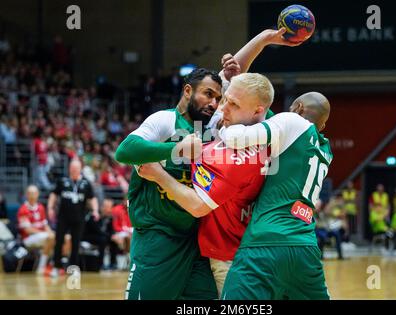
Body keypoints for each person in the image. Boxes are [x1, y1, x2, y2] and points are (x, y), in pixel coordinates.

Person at [114, 27, 296, 300]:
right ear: (187, 91)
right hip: (159, 236)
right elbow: (125, 151)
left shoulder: (212, 124)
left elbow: (236, 84)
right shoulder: (164, 120)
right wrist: (174, 149)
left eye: (218, 99)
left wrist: (265, 40)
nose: (214, 103)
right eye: (207, 95)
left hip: (197, 239)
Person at [137, 72, 273, 296]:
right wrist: (263, 41)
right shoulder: (264, 132)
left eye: (232, 103)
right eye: (224, 99)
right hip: (249, 248)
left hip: (230, 255)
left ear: (257, 111)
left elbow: (198, 206)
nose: (222, 108)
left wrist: (158, 174)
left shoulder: (237, 157)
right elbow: (246, 93)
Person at [214, 90, 332, 300]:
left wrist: (222, 126)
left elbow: (236, 138)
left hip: (266, 242)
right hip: (305, 247)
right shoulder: (324, 149)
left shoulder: (292, 121)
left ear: (299, 109)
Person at [47, 159, 99, 277]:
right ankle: (56, 266)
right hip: (63, 217)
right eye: (72, 168)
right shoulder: (62, 180)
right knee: (59, 241)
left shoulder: (86, 183)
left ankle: (73, 268)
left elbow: (92, 198)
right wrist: (50, 208)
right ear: (69, 168)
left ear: (80, 169)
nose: (74, 170)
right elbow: (54, 194)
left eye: (76, 168)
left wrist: (95, 210)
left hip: (79, 218)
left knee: (76, 243)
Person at [17, 185, 55, 274]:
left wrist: (50, 232)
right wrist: (47, 234)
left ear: (37, 194)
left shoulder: (41, 207)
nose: (32, 195)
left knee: (62, 238)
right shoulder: (23, 209)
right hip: (28, 239)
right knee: (50, 238)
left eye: (34, 193)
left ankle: (54, 265)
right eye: (30, 193)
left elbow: (45, 225)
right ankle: (41, 268)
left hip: (42, 236)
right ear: (26, 195)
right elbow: (28, 230)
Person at [82, 198, 116, 270]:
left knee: (113, 241)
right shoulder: (95, 215)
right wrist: (110, 236)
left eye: (111, 207)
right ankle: (100, 263)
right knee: (103, 240)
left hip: (102, 236)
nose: (110, 210)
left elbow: (111, 230)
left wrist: (113, 236)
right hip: (89, 236)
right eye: (108, 207)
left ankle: (113, 263)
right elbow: (97, 230)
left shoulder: (110, 218)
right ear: (103, 207)